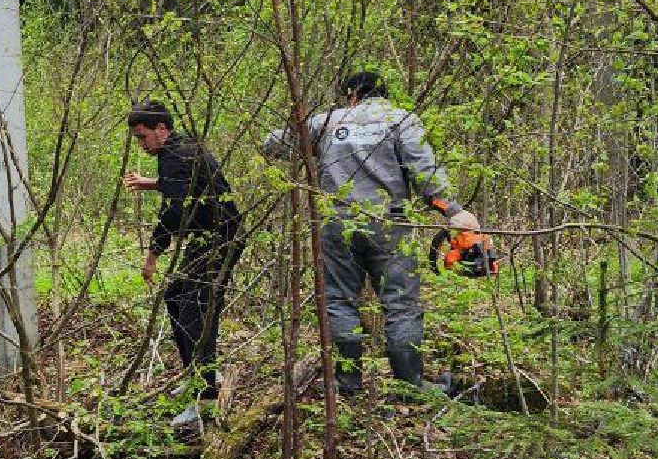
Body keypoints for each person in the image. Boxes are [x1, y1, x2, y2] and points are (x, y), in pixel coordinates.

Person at [263, 68, 481, 395]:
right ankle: (411, 384)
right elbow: (425, 173)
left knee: (338, 300)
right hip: (390, 224)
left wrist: (313, 141)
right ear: (382, 93)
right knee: (400, 303)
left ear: (352, 95)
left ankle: (347, 383)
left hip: (337, 223)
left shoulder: (327, 122)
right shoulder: (401, 120)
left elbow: (272, 143)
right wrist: (452, 210)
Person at [123, 100, 243, 430]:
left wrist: (152, 255)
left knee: (195, 309)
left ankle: (205, 397)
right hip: (210, 238)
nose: (141, 144)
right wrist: (154, 183)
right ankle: (201, 373)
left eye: (143, 137)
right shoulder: (182, 149)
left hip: (219, 239)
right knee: (177, 296)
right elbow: (186, 187)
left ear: (162, 129)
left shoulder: (175, 157)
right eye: (137, 139)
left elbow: (174, 212)